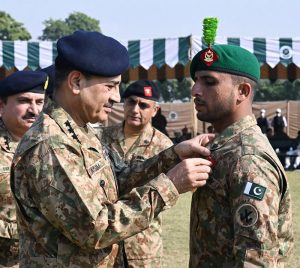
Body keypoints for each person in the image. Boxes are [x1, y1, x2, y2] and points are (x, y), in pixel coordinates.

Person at [10, 31, 213, 267]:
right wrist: (169, 185)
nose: (116, 97)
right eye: (110, 86)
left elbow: (114, 184)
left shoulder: (80, 131)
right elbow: (96, 228)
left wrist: (172, 156)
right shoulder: (50, 144)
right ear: (76, 82)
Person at [189, 41, 293, 266]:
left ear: (242, 91)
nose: (195, 90)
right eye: (196, 81)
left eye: (209, 82)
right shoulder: (227, 147)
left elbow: (255, 260)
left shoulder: (247, 159)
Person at [102, 79, 173, 267]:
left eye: (143, 105)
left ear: (155, 110)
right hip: (104, 244)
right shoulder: (102, 138)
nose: (135, 109)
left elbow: (166, 196)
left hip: (142, 247)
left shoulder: (164, 147)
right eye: (131, 102)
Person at [0, 70, 47, 267]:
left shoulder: (52, 147)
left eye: (39, 102)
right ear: (1, 106)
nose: (34, 110)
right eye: (24, 101)